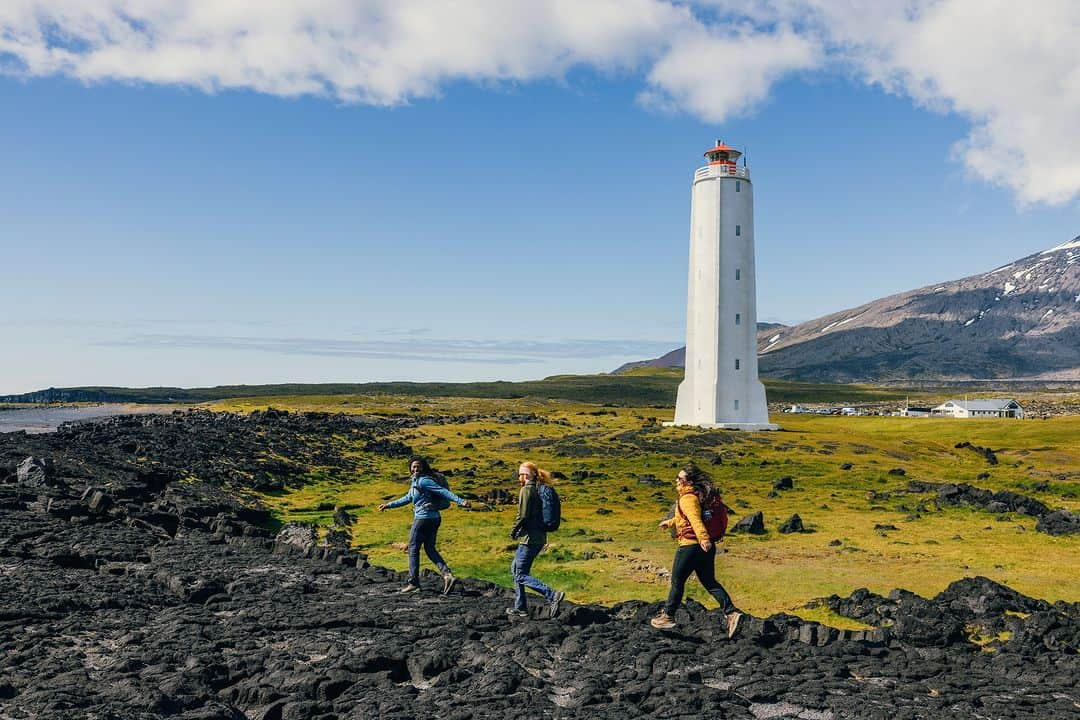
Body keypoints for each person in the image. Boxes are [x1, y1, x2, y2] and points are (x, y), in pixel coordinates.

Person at [651, 462, 743, 637]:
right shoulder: (696, 497)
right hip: (704, 548)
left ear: (689, 482)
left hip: (690, 546)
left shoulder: (688, 499)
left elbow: (695, 520)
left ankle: (667, 616)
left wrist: (703, 538)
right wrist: (669, 523)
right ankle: (732, 613)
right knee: (710, 582)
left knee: (677, 582)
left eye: (680, 478)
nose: (676, 481)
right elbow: (686, 518)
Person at [379, 458, 469, 594]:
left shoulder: (424, 481)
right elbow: (407, 498)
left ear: (424, 468)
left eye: (418, 467)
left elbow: (442, 491)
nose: (415, 469)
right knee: (430, 548)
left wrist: (460, 501)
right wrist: (388, 505)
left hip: (423, 519)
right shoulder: (416, 482)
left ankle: (413, 583)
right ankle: (447, 575)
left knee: (413, 548)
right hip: (434, 519)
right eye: (413, 467)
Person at [506, 461, 564, 618]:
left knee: (520, 574)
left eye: (520, 474)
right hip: (538, 537)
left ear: (525, 475)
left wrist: (514, 530)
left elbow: (523, 515)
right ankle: (520, 607)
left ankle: (552, 595)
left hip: (529, 538)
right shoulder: (539, 489)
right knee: (515, 569)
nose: (519, 477)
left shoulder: (527, 490)